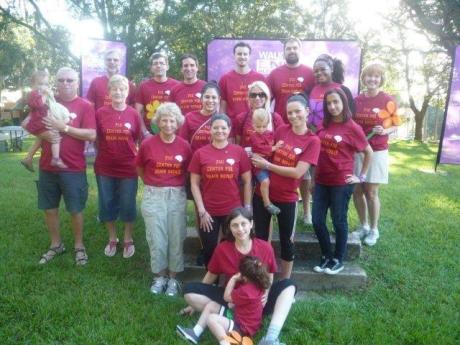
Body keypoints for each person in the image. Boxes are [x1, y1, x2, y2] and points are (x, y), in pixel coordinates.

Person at [181, 207, 296, 345]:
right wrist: (193, 305)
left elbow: (270, 274)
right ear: (229, 228)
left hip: (258, 302)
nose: (240, 229)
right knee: (189, 291)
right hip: (232, 299)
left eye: (243, 224)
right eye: (235, 225)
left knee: (289, 285)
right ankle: (232, 318)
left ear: (251, 224)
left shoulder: (265, 247)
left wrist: (266, 292)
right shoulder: (223, 248)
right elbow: (211, 275)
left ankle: (271, 338)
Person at [251, 94, 320, 279]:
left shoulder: (313, 141)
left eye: (297, 111)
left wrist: (267, 166)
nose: (293, 115)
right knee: (260, 240)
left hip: (287, 198)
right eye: (289, 112)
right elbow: (264, 149)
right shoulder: (281, 130)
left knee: (286, 242)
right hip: (262, 195)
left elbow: (298, 172)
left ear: (307, 111)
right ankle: (261, 278)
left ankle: (284, 282)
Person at [36, 67, 96, 266]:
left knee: (75, 209)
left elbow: (91, 134)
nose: (65, 84)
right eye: (61, 80)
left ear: (77, 82)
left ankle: (79, 246)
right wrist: (44, 133)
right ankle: (56, 244)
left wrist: (65, 128)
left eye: (70, 80)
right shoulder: (46, 104)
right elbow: (35, 128)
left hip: (73, 167)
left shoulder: (85, 106)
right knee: (50, 209)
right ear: (56, 82)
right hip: (47, 166)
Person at [312, 88, 372, 275]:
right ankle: (326, 255)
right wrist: (314, 179)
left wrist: (360, 177)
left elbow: (368, 152)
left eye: (336, 102)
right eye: (329, 103)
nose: (332, 106)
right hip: (321, 180)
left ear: (344, 103)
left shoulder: (353, 127)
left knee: (339, 220)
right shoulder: (324, 124)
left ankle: (339, 258)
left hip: (341, 182)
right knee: (317, 220)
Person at [137, 102, 192, 297]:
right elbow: (140, 168)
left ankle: (173, 278)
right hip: (154, 195)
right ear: (158, 122)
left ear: (178, 123)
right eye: (164, 120)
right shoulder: (147, 144)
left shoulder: (184, 146)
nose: (168, 124)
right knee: (156, 238)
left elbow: (188, 172)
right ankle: (159, 277)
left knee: (176, 236)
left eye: (172, 120)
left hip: (176, 195)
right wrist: (152, 183)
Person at [188, 114, 252, 266]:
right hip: (208, 212)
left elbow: (247, 181)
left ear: (229, 130)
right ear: (210, 129)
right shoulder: (200, 154)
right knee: (210, 248)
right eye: (216, 127)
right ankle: (213, 284)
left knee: (234, 248)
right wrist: (201, 211)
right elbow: (194, 183)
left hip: (233, 212)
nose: (219, 131)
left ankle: (233, 282)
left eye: (223, 128)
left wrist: (247, 208)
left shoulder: (239, 152)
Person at [301, 54, 355, 226]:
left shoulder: (342, 89)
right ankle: (316, 218)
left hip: (335, 144)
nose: (318, 73)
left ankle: (338, 221)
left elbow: (350, 117)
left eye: (322, 69)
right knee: (316, 180)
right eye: (315, 71)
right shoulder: (311, 90)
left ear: (331, 69)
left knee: (336, 185)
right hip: (314, 141)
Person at [94, 74, 141, 259]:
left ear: (127, 92)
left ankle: (128, 238)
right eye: (115, 89)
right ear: (109, 92)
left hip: (129, 167)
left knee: (128, 203)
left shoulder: (134, 114)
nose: (118, 92)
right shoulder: (100, 113)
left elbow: (136, 138)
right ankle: (112, 237)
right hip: (105, 167)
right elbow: (97, 139)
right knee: (107, 203)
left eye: (122, 89)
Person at [351, 63, 397, 246]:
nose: (373, 79)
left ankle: (374, 229)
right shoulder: (356, 100)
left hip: (377, 150)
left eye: (377, 76)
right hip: (358, 151)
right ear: (364, 78)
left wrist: (385, 131)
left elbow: (395, 124)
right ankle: (363, 225)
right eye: (369, 76)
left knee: (371, 191)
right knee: (357, 190)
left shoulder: (387, 99)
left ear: (381, 79)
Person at [176, 255, 271, 344]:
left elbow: (226, 297)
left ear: (244, 277)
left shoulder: (246, 291)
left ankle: (225, 343)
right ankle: (195, 333)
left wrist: (233, 279)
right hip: (243, 321)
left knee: (212, 319)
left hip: (242, 329)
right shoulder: (259, 285)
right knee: (212, 305)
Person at [21, 70, 71, 171]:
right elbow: (38, 105)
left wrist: (49, 95)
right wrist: (44, 94)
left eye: (46, 84)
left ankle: (28, 158)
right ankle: (56, 159)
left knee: (40, 139)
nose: (43, 86)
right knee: (55, 137)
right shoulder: (33, 94)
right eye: (40, 84)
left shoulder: (41, 94)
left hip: (41, 121)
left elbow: (51, 103)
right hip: (39, 122)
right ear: (32, 84)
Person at [267, 37, 315, 123]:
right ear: (284, 52)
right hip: (280, 126)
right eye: (288, 49)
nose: (292, 51)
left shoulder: (310, 73)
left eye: (295, 48)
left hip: (304, 127)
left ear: (300, 51)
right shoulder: (274, 74)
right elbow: (266, 102)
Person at [218, 42, 266, 121]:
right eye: (239, 54)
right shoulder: (225, 79)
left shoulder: (260, 78)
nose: (242, 56)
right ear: (234, 56)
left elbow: (265, 105)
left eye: (245, 54)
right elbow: (222, 108)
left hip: (255, 125)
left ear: (249, 56)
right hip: (232, 126)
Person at [249, 108, 284, 215]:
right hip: (258, 165)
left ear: (268, 123)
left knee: (273, 181)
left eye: (264, 126)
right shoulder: (254, 136)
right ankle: (267, 203)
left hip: (269, 163)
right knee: (265, 182)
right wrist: (275, 147)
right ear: (253, 124)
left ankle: (272, 199)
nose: (261, 129)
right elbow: (261, 150)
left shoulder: (270, 133)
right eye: (258, 126)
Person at [135, 52, 179, 135]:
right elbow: (138, 113)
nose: (158, 66)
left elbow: (180, 112)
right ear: (151, 68)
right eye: (155, 63)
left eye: (162, 63)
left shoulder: (177, 85)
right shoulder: (143, 86)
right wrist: (145, 133)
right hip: (150, 134)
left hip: (172, 133)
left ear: (167, 67)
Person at [234, 81, 284, 148]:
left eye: (261, 95)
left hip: (268, 158)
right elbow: (238, 144)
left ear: (266, 97)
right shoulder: (241, 118)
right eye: (253, 95)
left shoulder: (276, 118)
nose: (257, 98)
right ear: (249, 98)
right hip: (246, 157)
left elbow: (281, 142)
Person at [179, 82, 220, 153]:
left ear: (219, 99)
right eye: (207, 97)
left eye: (214, 97)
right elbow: (182, 144)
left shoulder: (222, 120)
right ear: (201, 98)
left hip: (214, 162)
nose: (210, 101)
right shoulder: (189, 117)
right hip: (193, 160)